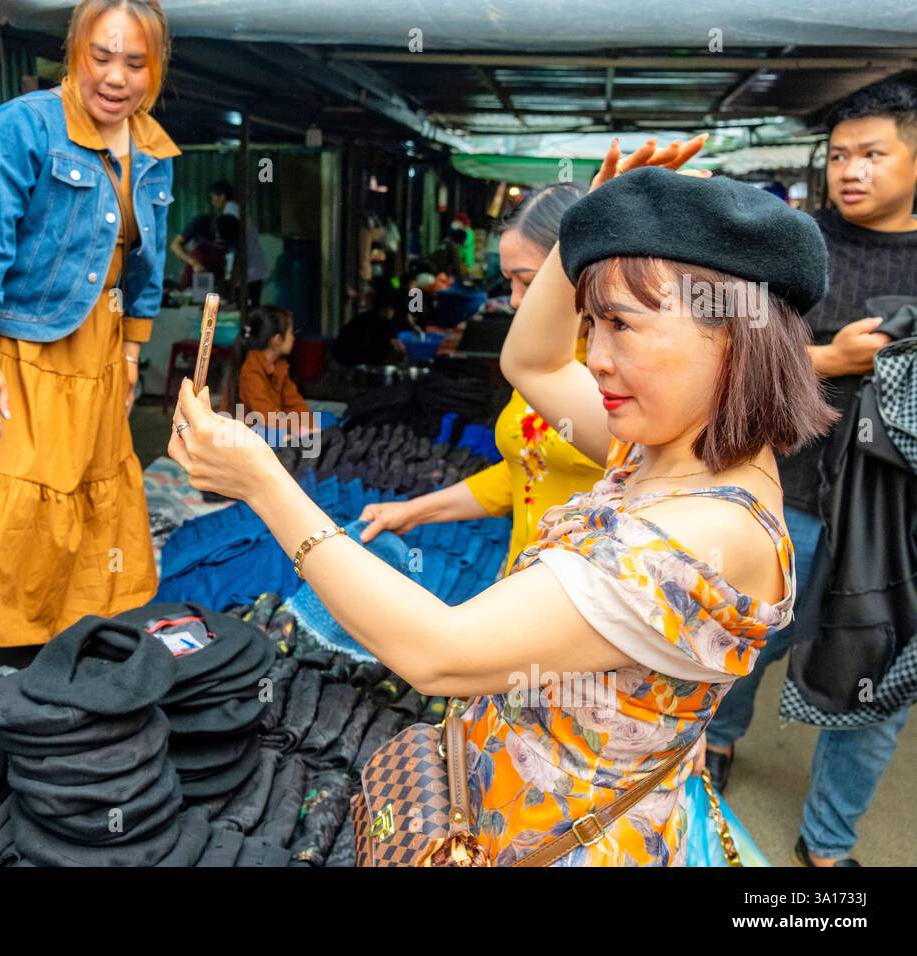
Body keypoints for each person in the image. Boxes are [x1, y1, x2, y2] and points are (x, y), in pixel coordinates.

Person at [168, 134, 838, 866]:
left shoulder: (697, 537)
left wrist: (268, 485)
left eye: (622, 325)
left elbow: (439, 654)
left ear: (733, 339)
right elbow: (532, 360)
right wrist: (589, 226)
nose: (599, 358)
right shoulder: (673, 457)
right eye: (593, 324)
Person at [0, 0, 179, 669]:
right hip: (13, 346)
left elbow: (148, 263)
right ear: (74, 53)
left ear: (155, 70)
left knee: (84, 500)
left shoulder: (153, 151)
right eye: (102, 56)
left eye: (135, 63)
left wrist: (130, 355)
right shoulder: (20, 128)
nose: (116, 77)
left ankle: (57, 640)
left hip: (94, 347)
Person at [705, 79, 917, 866]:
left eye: (872, 153)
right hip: (786, 485)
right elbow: (723, 351)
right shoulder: (793, 246)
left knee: (879, 674)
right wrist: (832, 358)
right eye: (838, 156)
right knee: (746, 636)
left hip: (895, 516)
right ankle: (718, 739)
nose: (850, 170)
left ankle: (827, 845)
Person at [358, 185, 604, 574]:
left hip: (584, 605)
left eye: (530, 282)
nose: (516, 300)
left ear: (582, 270)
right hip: (521, 588)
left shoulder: (617, 373)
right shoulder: (536, 367)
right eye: (509, 282)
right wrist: (413, 512)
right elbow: (524, 470)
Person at [236, 304, 313, 436]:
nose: (293, 338)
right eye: (291, 333)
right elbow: (267, 418)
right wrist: (299, 429)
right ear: (277, 340)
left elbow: (295, 403)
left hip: (280, 424)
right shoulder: (251, 371)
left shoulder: (279, 366)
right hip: (257, 434)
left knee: (325, 422)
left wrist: (310, 426)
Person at [169, 180, 235, 289]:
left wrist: (230, 280)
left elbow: (235, 257)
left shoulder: (232, 225)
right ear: (214, 227)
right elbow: (175, 245)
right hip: (195, 274)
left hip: (218, 277)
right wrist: (193, 262)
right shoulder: (200, 222)